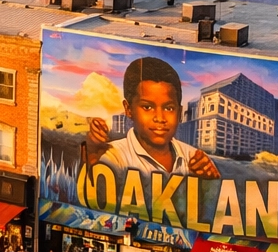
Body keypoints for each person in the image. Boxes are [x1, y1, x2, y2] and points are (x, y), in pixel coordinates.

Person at [82, 56, 221, 178]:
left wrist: (210, 183)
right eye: (147, 107)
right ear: (128, 109)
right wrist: (93, 159)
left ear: (179, 113)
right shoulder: (115, 156)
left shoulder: (194, 158)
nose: (160, 118)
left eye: (169, 108)